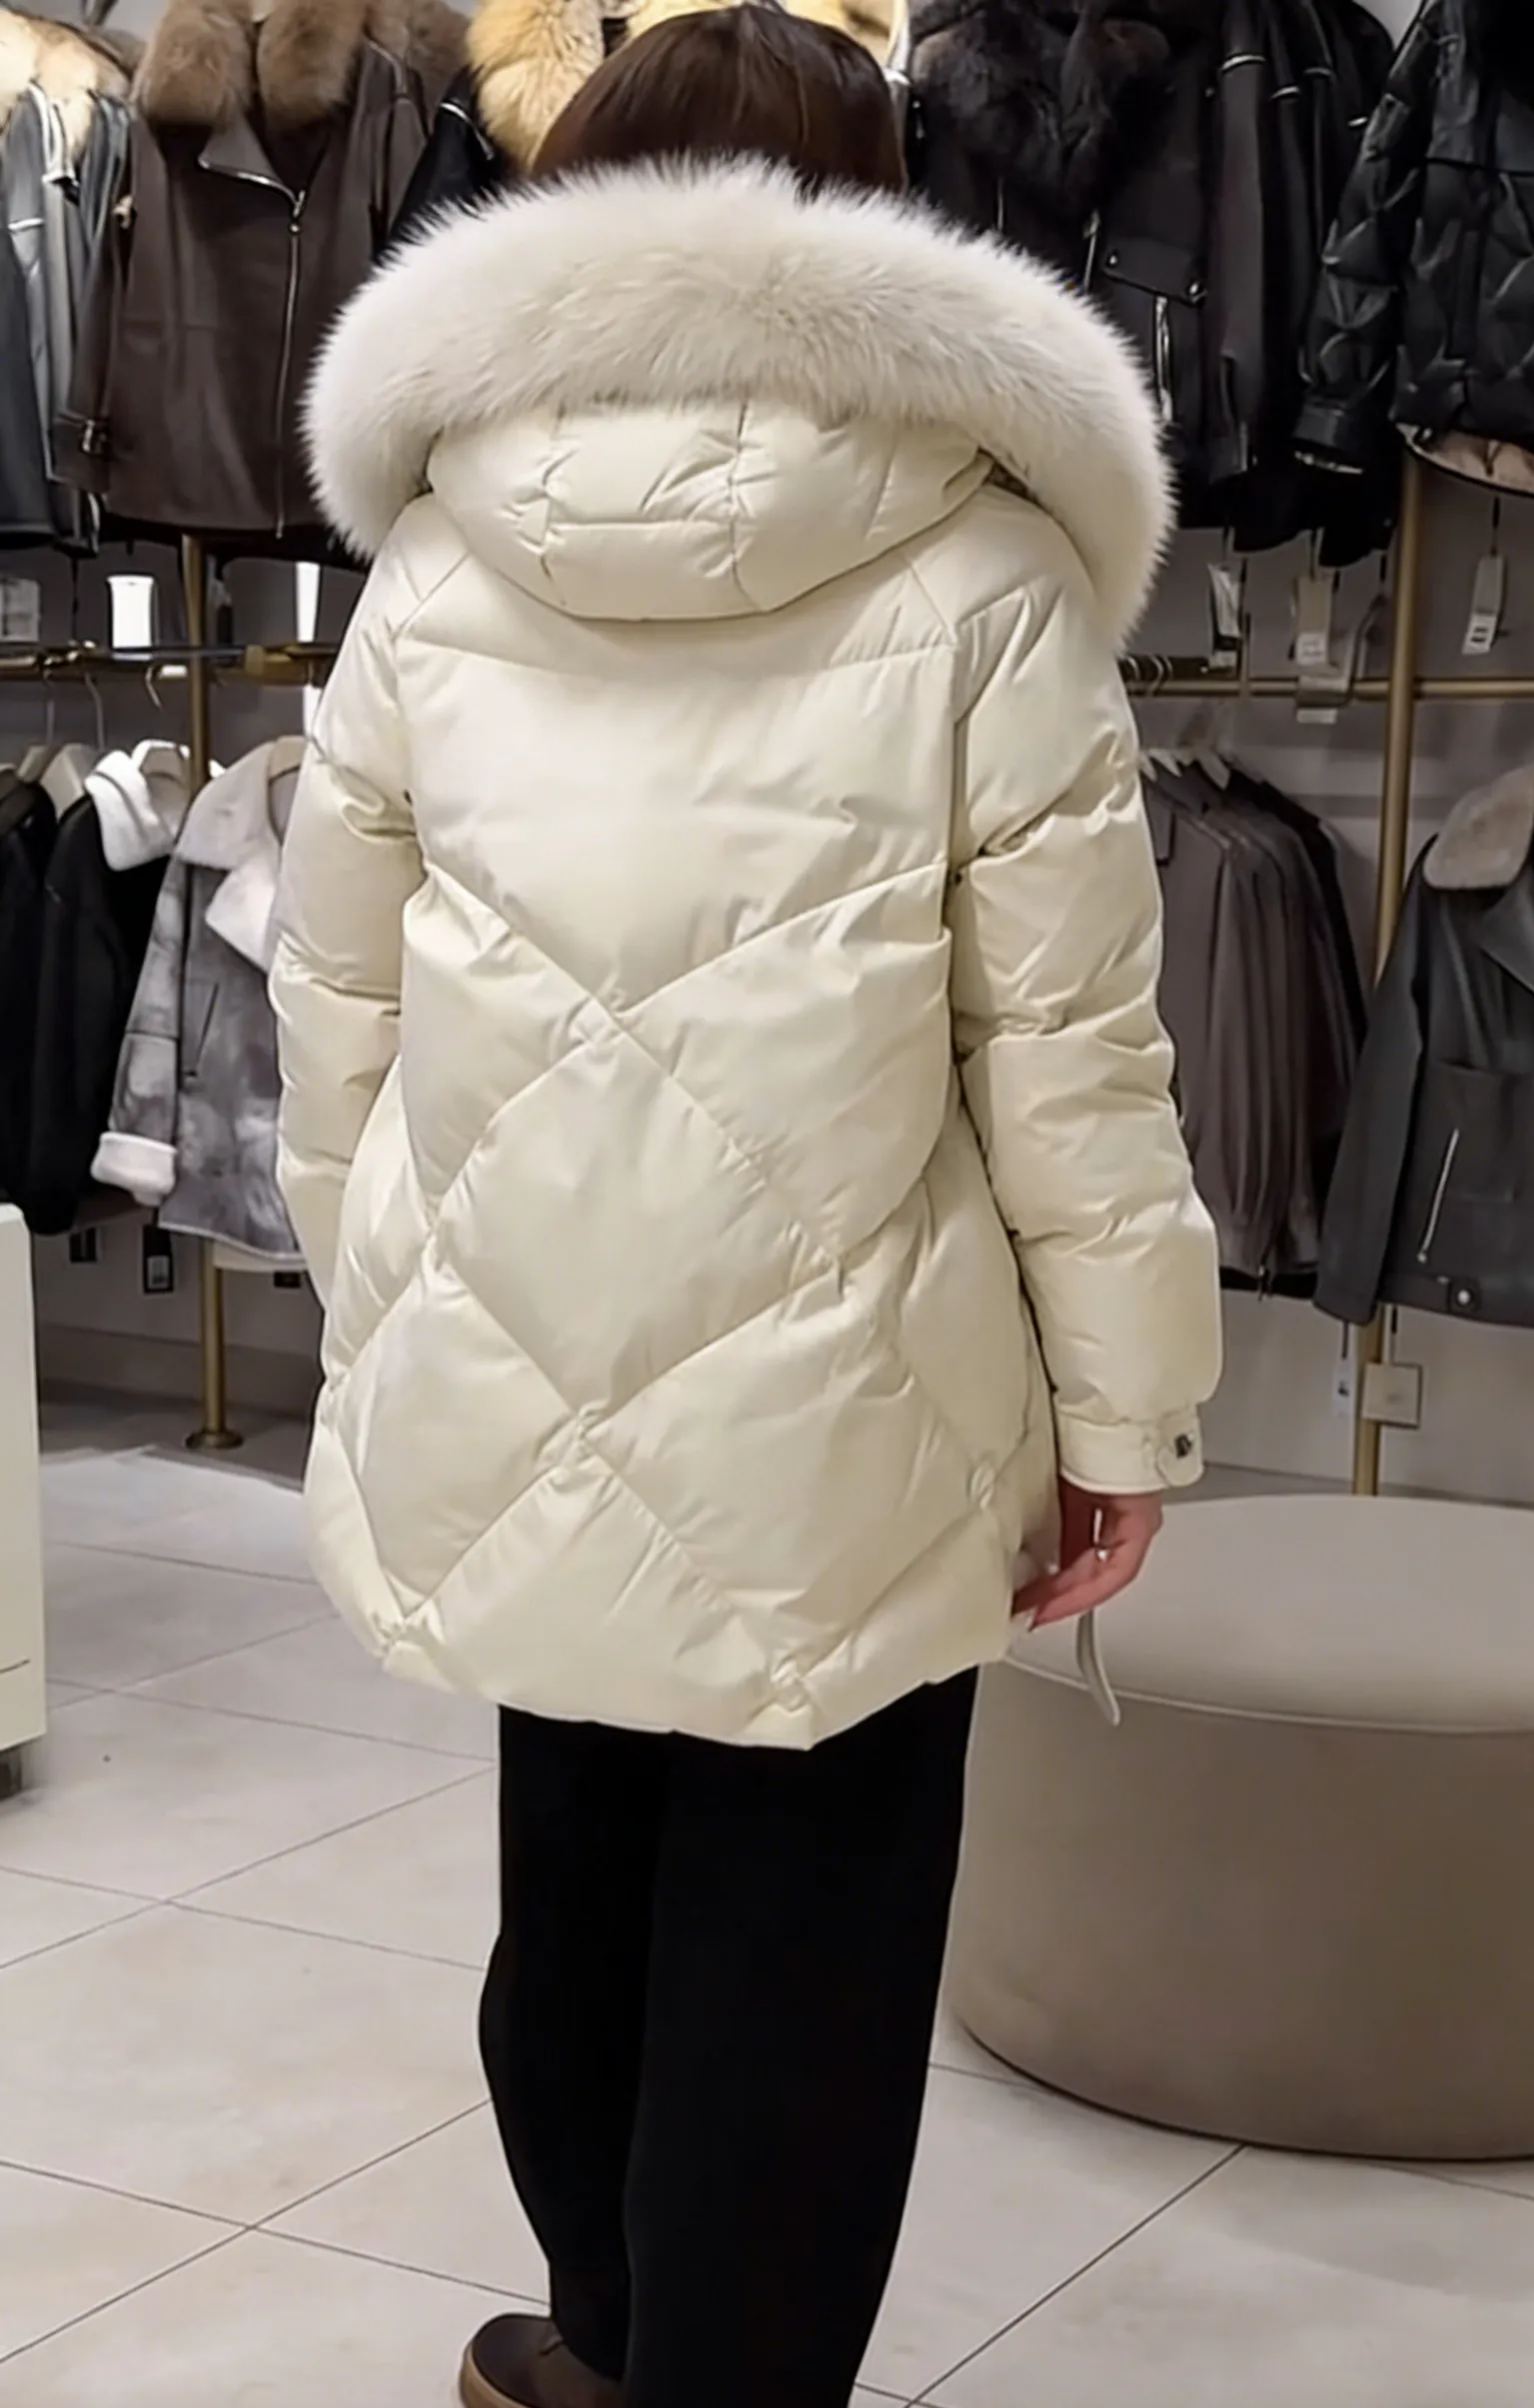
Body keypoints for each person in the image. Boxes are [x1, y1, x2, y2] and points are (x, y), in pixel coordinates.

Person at [273, 12, 1221, 2404]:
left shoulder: (432, 562)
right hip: (862, 1410)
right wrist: (1121, 1419)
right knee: (803, 1953)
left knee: (575, 1893)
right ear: (865, 221)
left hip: (517, 1356)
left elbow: (336, 998)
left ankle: (608, 2342)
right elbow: (1066, 1054)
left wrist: (381, 1319)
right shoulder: (988, 570)